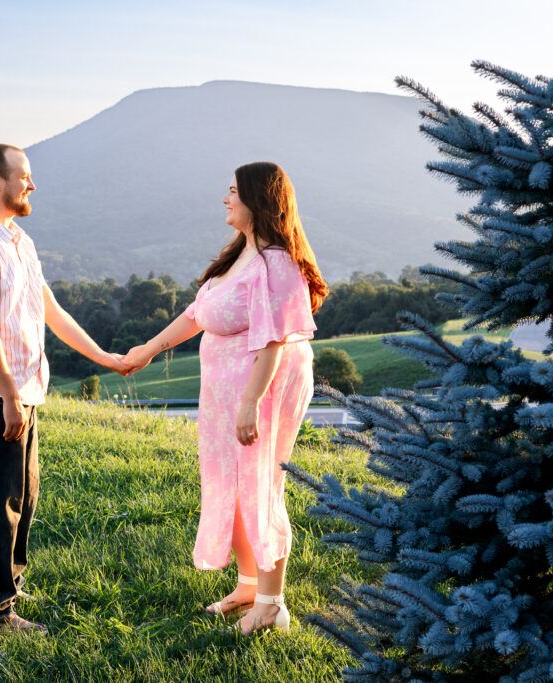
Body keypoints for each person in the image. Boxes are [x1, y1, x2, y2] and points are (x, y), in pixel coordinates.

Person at [124, 161, 328, 634]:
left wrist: (250, 403)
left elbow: (274, 342)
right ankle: (248, 586)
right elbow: (198, 314)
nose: (225, 199)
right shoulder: (241, 254)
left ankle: (272, 605)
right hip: (224, 388)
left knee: (259, 485)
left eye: (233, 191)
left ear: (258, 198)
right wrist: (148, 350)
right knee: (228, 484)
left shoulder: (277, 263)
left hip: (262, 386)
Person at [0, 143, 131, 633]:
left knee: (23, 497)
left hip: (21, 392)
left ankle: (8, 586)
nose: (32, 184)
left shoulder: (18, 240)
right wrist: (8, 394)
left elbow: (51, 309)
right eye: (24, 175)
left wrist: (105, 358)